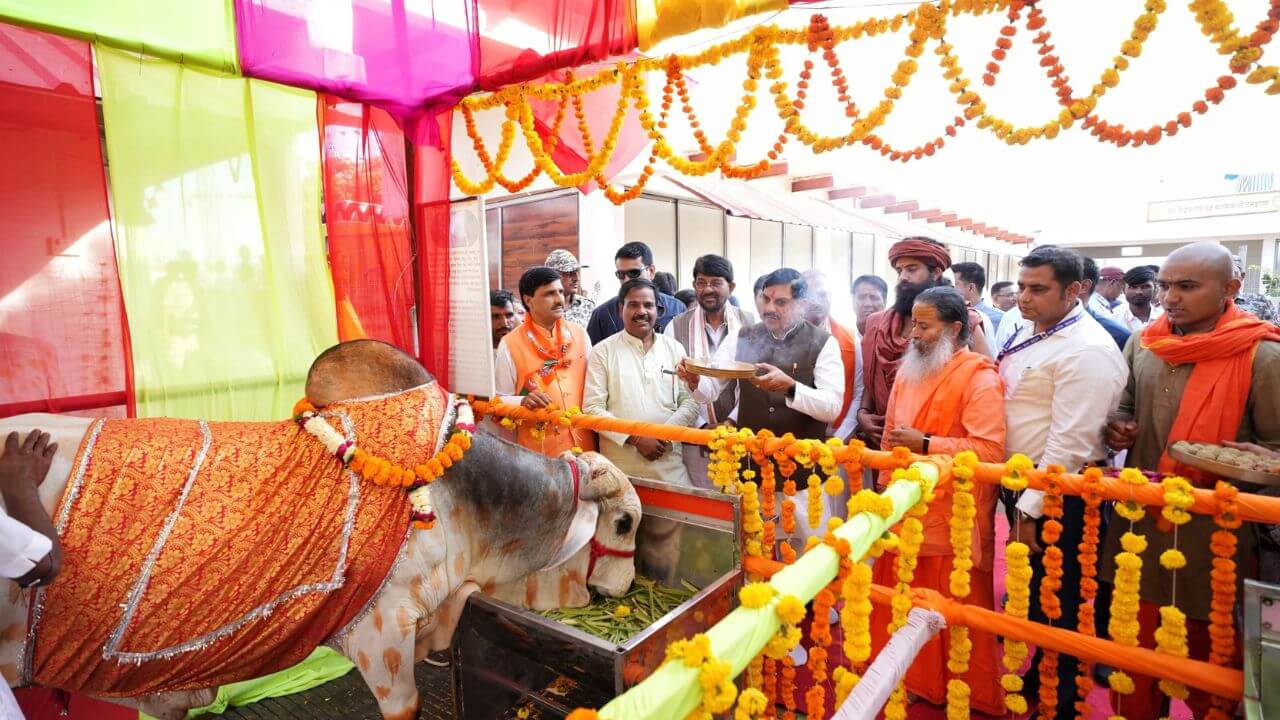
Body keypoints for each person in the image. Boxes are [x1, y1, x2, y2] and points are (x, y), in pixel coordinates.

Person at [1101, 241, 1280, 718]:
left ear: (1230, 289)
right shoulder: (1144, 341)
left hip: (1215, 532)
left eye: (1186, 286)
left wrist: (1261, 462)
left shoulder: (1262, 354)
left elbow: (1277, 448)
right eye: (1165, 286)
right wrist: (1117, 425)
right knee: (1132, 639)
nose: (1169, 297)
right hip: (1139, 517)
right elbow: (1124, 405)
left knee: (1209, 654)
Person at [999, 246, 1127, 719]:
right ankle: (1040, 674)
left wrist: (1029, 508)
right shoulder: (1028, 329)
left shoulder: (1087, 348)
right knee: (1033, 593)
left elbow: (1070, 445)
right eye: (1022, 287)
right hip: (1022, 483)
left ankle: (1065, 698)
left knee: (1061, 595)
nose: (1024, 298)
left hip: (1059, 492)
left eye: (1038, 289)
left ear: (1074, 291)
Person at [867, 288, 1006, 717]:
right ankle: (909, 679)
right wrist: (886, 493)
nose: (914, 334)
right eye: (913, 324)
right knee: (899, 602)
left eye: (924, 326)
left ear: (955, 329)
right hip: (903, 512)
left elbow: (989, 451)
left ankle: (963, 689)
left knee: (950, 609)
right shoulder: (909, 371)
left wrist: (928, 443)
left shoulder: (979, 377)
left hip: (951, 520)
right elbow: (892, 436)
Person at [678, 268, 845, 545]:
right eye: (766, 299)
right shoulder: (741, 337)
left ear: (801, 305)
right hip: (751, 471)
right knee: (752, 553)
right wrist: (694, 381)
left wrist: (790, 387)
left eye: (781, 302)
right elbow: (710, 390)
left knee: (813, 556)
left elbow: (831, 407)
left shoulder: (823, 343)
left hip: (803, 477)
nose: (769, 308)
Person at [857, 237, 991, 448]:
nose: (903, 277)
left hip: (945, 447)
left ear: (936, 272)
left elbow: (984, 382)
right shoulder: (876, 322)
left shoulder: (968, 320)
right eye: (899, 271)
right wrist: (863, 413)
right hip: (886, 441)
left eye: (911, 269)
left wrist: (928, 442)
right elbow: (871, 380)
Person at [584, 279, 700, 486]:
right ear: (621, 309)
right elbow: (592, 407)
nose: (642, 311)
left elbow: (690, 401)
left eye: (648, 305)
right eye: (633, 305)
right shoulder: (602, 351)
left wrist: (662, 435)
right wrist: (635, 438)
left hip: (669, 466)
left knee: (682, 517)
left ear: (658, 309)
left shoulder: (674, 348)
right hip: (619, 470)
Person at [665, 255, 756, 487]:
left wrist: (731, 422)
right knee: (705, 512)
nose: (707, 289)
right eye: (701, 282)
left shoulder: (751, 325)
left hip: (740, 436)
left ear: (731, 286)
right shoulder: (675, 327)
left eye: (715, 283)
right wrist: (702, 427)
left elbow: (754, 384)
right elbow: (671, 386)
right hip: (694, 439)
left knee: (743, 509)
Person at [495, 266, 596, 456]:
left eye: (560, 291)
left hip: (585, 449)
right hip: (539, 458)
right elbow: (499, 400)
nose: (559, 299)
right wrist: (522, 400)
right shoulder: (510, 344)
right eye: (550, 293)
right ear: (528, 300)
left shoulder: (580, 334)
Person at [802, 269, 862, 441]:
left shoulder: (850, 339)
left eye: (822, 294)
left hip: (834, 436)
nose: (816, 301)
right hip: (791, 436)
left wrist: (840, 435)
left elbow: (859, 391)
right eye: (809, 294)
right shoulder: (781, 336)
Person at [586, 242, 686, 343]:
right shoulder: (603, 314)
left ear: (651, 271)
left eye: (633, 273)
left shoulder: (676, 309)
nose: (626, 280)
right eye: (621, 274)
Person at [1080, 256, 1132, 351]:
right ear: (1113, 283)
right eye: (1121, 287)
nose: (1122, 292)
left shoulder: (1100, 304)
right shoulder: (1091, 305)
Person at [950, 262, 1000, 355]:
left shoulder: (999, 318)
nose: (951, 289)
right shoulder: (950, 315)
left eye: (956, 284)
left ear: (971, 287)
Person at [544, 249, 595, 329]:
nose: (576, 278)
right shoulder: (540, 307)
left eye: (577, 271)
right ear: (553, 275)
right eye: (569, 273)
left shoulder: (587, 306)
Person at [1116, 264, 1162, 331]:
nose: (1139, 292)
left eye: (1145, 287)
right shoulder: (1114, 318)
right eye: (1133, 287)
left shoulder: (1166, 317)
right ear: (1123, 290)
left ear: (1155, 289)